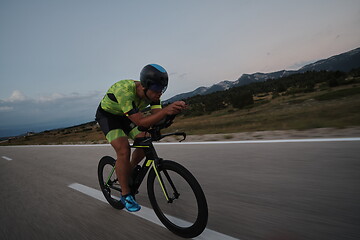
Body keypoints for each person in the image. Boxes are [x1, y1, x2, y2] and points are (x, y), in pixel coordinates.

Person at [95, 64, 186, 212]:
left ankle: (127, 171)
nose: (160, 93)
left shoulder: (154, 95)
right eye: (157, 89)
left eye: (163, 89)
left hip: (127, 116)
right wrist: (165, 111)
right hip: (108, 117)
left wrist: (172, 113)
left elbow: (156, 118)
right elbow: (140, 122)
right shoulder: (125, 91)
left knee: (145, 140)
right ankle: (126, 195)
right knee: (124, 150)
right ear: (145, 86)